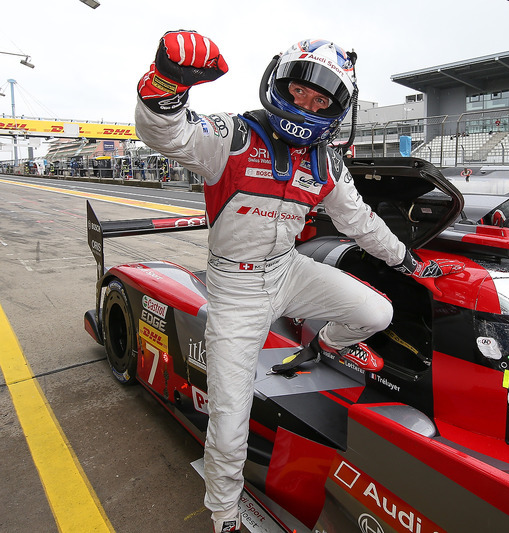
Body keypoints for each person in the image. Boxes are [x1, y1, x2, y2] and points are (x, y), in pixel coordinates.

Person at [135, 31, 463, 533]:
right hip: (236, 286)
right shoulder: (236, 135)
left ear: (337, 107)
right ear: (278, 84)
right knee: (230, 416)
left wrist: (407, 262)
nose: (307, 101)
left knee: (377, 312)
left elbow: (361, 222)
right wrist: (165, 84)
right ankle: (224, 514)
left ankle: (322, 346)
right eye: (299, 90)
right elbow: (168, 134)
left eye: (321, 97)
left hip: (288, 269)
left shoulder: (326, 162)